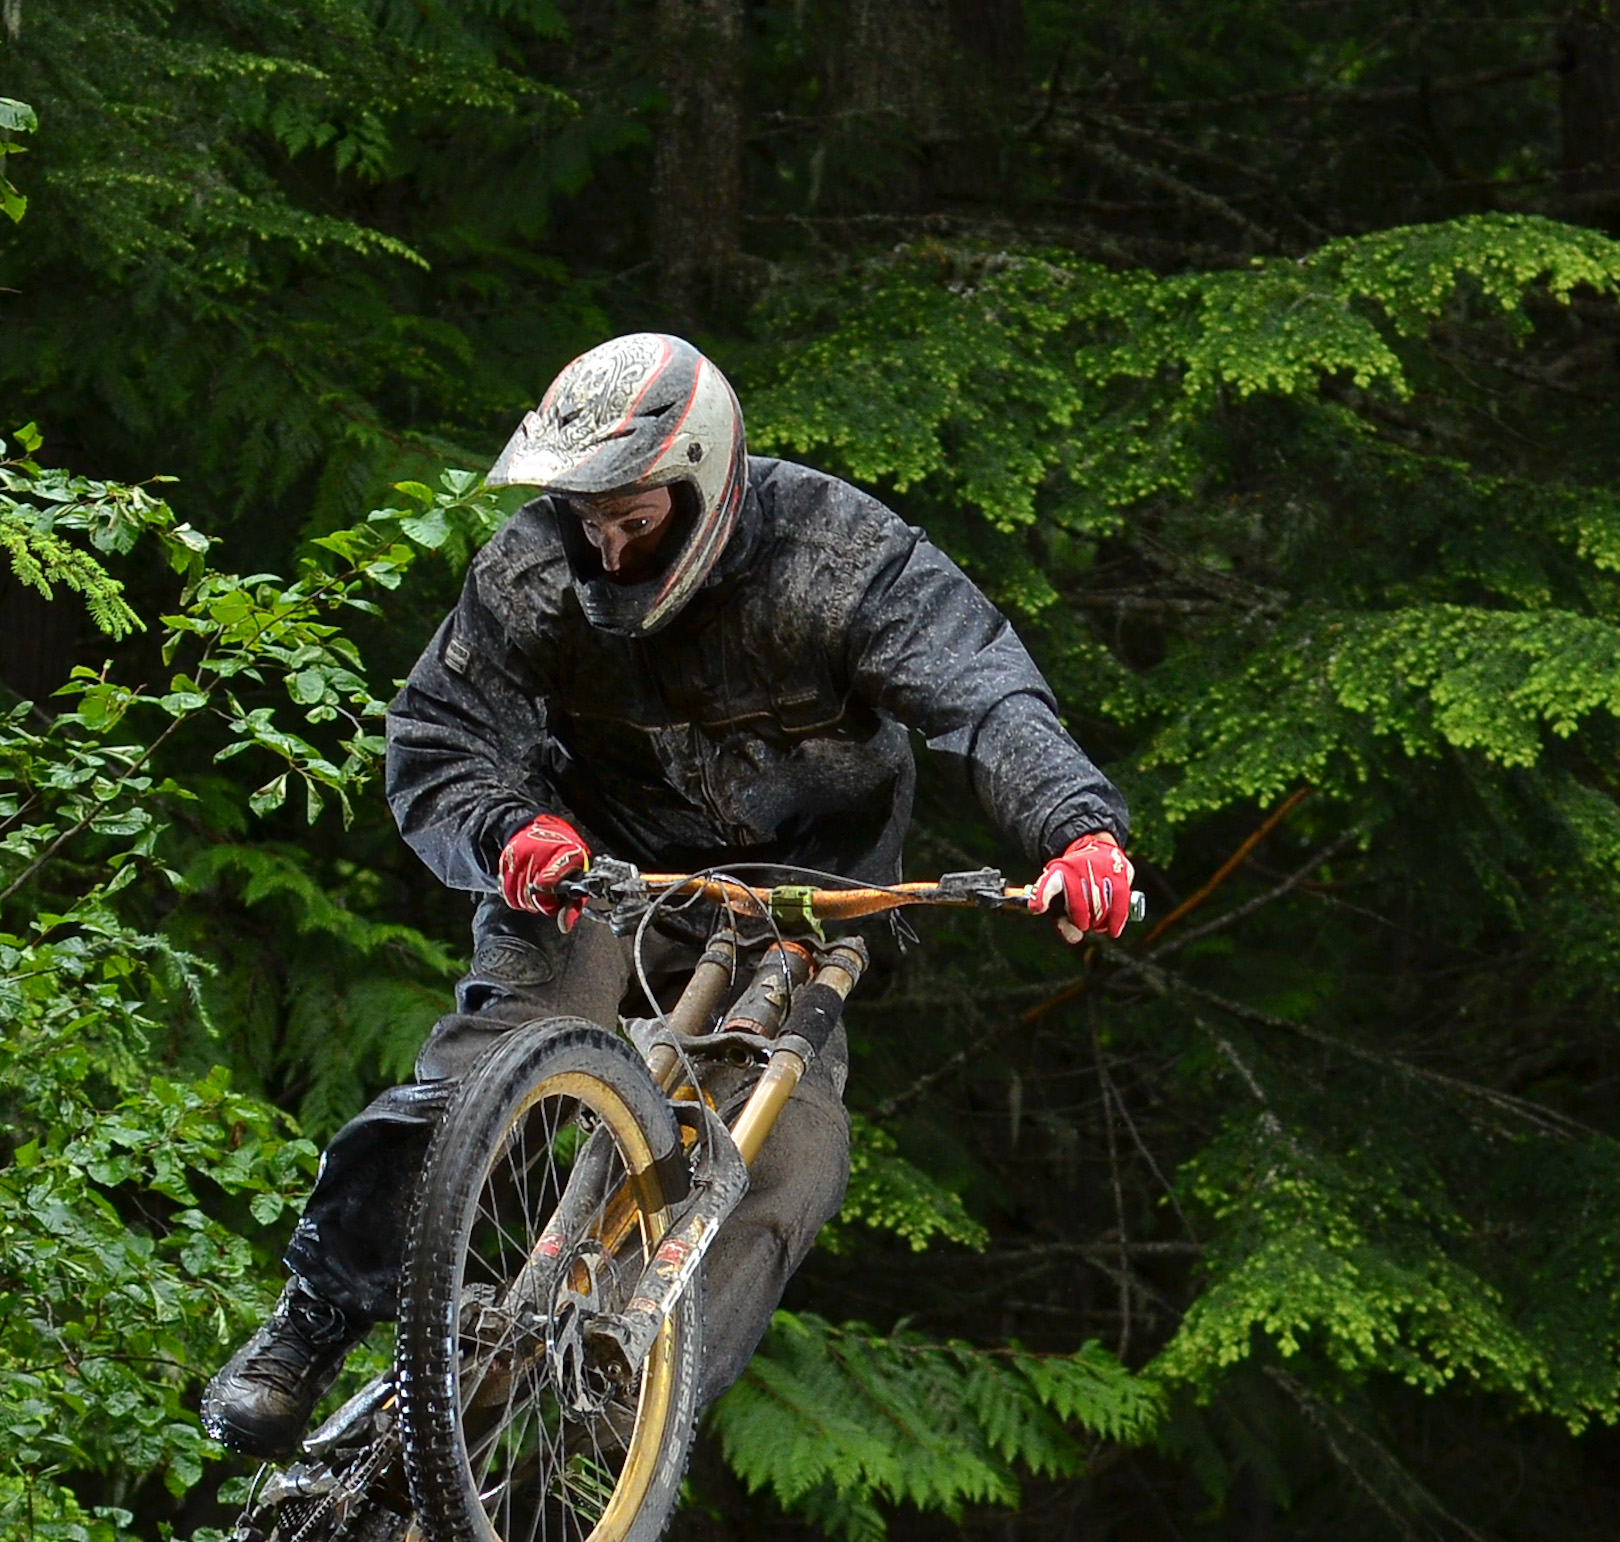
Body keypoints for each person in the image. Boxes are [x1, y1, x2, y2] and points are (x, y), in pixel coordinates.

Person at [200, 333, 1139, 1457]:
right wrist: (514, 830)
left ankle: (630, 1407)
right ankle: (310, 1325)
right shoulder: (530, 576)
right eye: (586, 516)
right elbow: (440, 738)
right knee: (490, 1068)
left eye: (634, 518)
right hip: (600, 870)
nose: (605, 542)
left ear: (708, 478)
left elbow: (988, 698)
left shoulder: (846, 558)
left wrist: (1078, 832)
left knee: (792, 1160)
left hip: (805, 901)